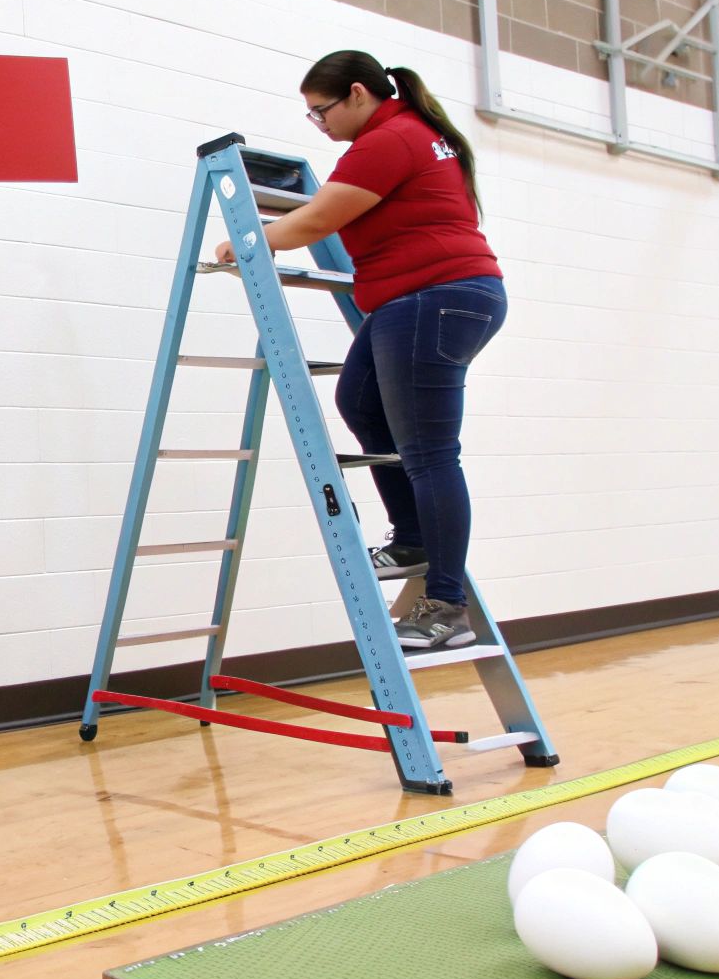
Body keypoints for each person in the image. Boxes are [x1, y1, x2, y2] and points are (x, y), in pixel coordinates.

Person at [214, 50, 503, 650]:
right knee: (361, 404)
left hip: (433, 300)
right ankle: (414, 538)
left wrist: (243, 243)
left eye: (320, 113)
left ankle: (447, 607)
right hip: (424, 300)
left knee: (429, 455)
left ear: (356, 94)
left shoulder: (390, 138)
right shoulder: (412, 133)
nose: (318, 124)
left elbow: (314, 222)